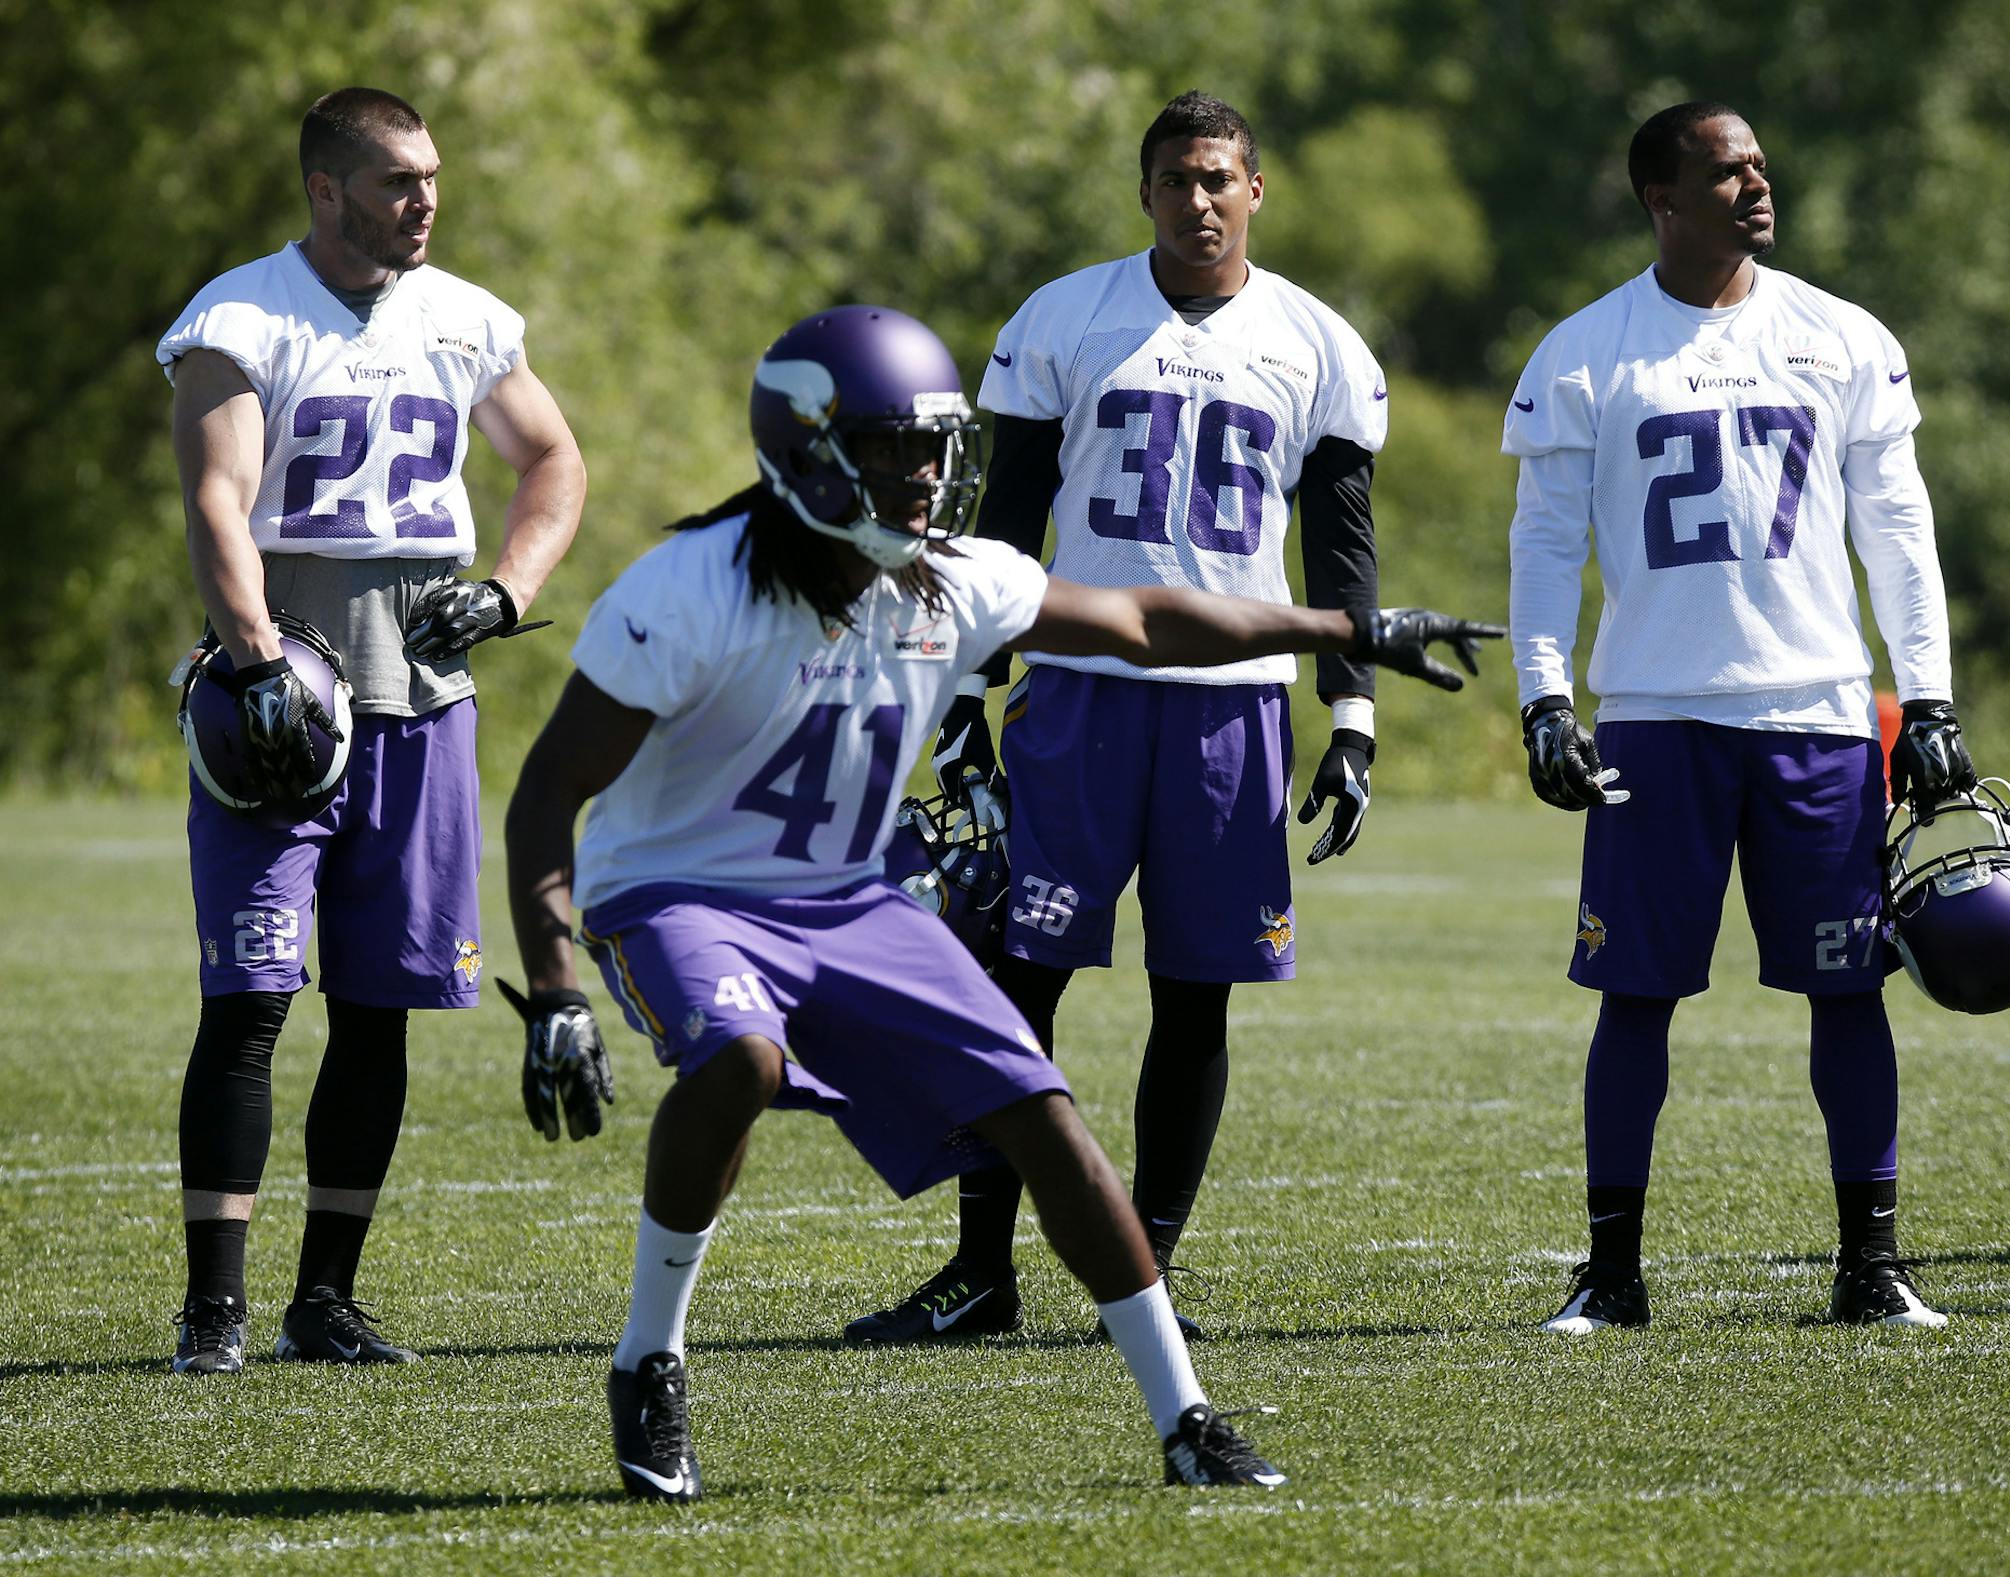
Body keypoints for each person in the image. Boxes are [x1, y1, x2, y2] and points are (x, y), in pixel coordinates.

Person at [500, 304, 1496, 1498]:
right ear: (810, 445)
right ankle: (649, 1359)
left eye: (935, 448)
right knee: (740, 1060)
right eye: (892, 449)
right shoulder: (689, 587)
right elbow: (547, 788)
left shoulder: (951, 583)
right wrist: (555, 987)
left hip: (847, 898)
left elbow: (1145, 619)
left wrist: (1350, 628)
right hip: (677, 889)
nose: (923, 477)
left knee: (1039, 1105)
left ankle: (1185, 1417)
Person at [847, 89, 1400, 1346]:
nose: (1198, 200)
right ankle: (982, 1265)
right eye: (1175, 178)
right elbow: (1001, 530)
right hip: (1081, 692)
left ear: (1256, 189)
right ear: (1142, 190)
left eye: (1219, 177)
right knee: (1017, 977)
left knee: (1195, 993)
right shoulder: (1065, 319)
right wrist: (963, 692)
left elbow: (1342, 550)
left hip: (1234, 712)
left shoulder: (1321, 344)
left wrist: (1353, 714)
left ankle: (1141, 1279)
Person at [1503, 102, 1978, 1334]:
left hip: (1817, 710)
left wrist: (1925, 693)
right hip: (1657, 715)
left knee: (1851, 989)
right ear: (1664, 197)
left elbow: (1900, 532)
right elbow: (1547, 546)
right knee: (1635, 995)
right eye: (1727, 170)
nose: (1757, 183)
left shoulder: (1841, 335)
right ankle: (1612, 1271)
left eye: (1761, 163)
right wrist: (1544, 697)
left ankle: (1870, 1265)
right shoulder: (1587, 351)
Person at [160, 87, 587, 1373]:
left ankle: (323, 1298)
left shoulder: (465, 318)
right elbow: (216, 499)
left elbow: (554, 460)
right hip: (285, 690)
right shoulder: (243, 316)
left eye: (433, 176)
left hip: (429, 692)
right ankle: (214, 1308)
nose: (425, 199)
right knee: (250, 995)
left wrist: (512, 584)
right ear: (326, 189)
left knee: (381, 1005)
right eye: (398, 179)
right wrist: (254, 661)